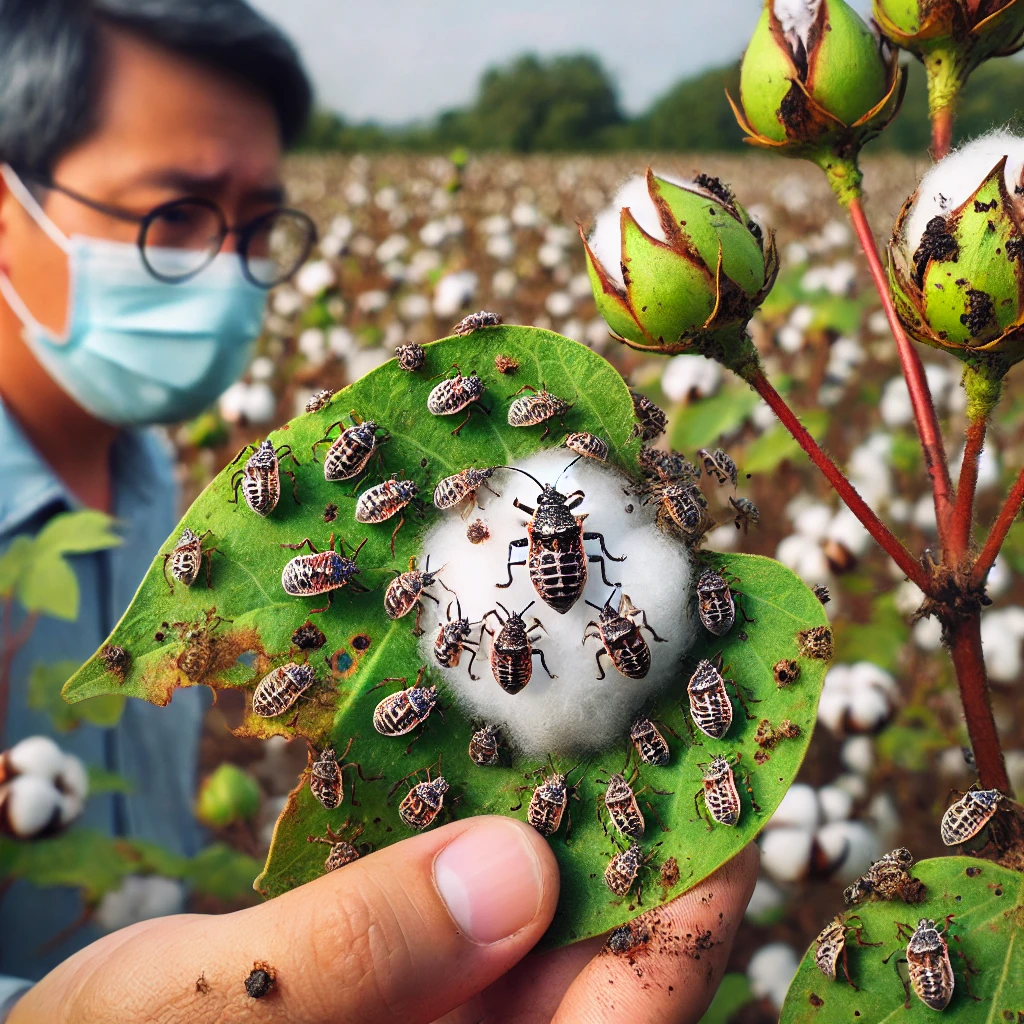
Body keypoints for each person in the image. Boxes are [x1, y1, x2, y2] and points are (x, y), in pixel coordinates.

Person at [0, 2, 757, 1020]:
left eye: (260, 224)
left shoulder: (154, 490)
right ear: (9, 210)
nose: (230, 266)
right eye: (174, 211)